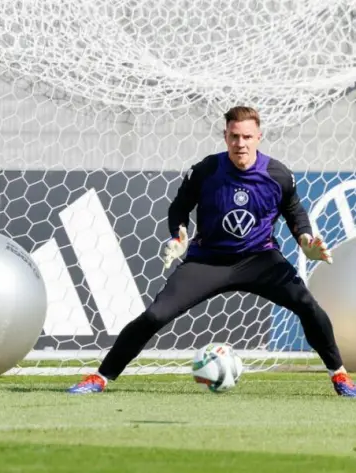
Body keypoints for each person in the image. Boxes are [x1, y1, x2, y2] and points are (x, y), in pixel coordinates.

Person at [68, 105, 356, 397]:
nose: (240, 144)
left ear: (259, 137)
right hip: (208, 262)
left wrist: (305, 240)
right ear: (225, 136)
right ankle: (100, 377)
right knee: (155, 316)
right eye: (234, 136)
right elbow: (179, 207)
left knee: (307, 306)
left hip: (260, 260)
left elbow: (294, 212)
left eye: (246, 137)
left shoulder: (278, 175)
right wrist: (178, 234)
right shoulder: (206, 170)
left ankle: (340, 376)